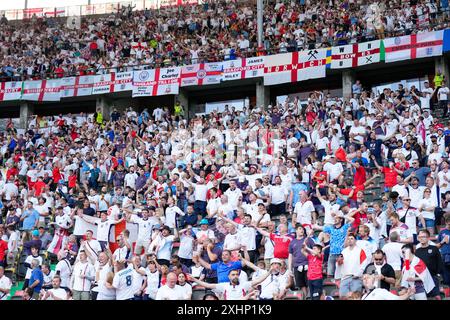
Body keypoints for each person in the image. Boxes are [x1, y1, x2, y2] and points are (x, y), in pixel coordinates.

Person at [188, 263, 275, 300]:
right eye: (233, 275)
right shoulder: (224, 285)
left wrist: (269, 272)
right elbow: (207, 285)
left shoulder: (244, 284)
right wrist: (194, 279)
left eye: (237, 274)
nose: (235, 276)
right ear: (229, 277)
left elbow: (259, 280)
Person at [337, 233, 369, 299]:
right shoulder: (344, 251)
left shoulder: (360, 250)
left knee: (355, 297)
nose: (350, 240)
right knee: (343, 297)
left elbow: (364, 263)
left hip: (356, 278)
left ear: (355, 240)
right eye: (348, 239)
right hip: (345, 277)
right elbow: (340, 263)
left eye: (352, 239)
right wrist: (339, 262)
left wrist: (358, 274)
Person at [415, 229, 444, 299]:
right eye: (420, 237)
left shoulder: (434, 248)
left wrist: (438, 274)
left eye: (423, 237)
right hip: (421, 278)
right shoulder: (417, 251)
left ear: (428, 238)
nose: (421, 238)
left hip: (433, 277)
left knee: (436, 297)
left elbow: (439, 262)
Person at [437, 214, 450, 286]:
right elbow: (438, 246)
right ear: (446, 222)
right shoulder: (442, 232)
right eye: (448, 223)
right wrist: (443, 241)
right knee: (446, 276)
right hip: (444, 255)